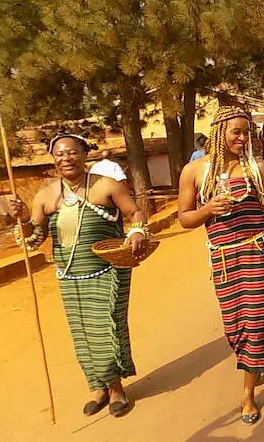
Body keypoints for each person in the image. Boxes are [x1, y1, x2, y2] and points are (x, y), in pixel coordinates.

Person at [8, 134, 149, 417]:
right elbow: (34, 238)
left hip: (108, 272)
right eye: (60, 154)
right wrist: (22, 220)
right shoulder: (45, 195)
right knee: (83, 335)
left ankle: (116, 387)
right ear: (53, 159)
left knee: (106, 330)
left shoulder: (106, 185)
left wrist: (136, 232)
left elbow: (135, 213)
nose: (66, 158)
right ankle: (98, 386)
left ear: (84, 154)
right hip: (70, 277)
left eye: (72, 152)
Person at [178, 107, 264, 425]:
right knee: (234, 326)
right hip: (224, 260)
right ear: (219, 133)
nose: (244, 138)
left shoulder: (256, 168)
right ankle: (261, 360)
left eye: (248, 132)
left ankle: (247, 395)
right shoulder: (195, 172)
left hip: (259, 253)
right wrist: (207, 210)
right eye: (237, 132)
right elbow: (184, 218)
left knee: (256, 320)